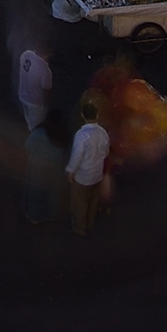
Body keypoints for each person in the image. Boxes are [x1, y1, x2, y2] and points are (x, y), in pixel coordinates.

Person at [66, 95, 111, 235]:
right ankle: (90, 224)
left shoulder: (81, 135)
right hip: (97, 175)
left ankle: (80, 228)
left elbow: (76, 157)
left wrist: (70, 172)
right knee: (93, 202)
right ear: (96, 115)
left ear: (82, 115)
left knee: (80, 203)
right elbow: (106, 152)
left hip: (83, 177)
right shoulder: (103, 133)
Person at [15, 45, 53, 129]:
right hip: (34, 103)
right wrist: (49, 107)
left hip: (22, 95)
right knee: (36, 128)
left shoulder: (26, 54)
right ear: (49, 53)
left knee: (28, 119)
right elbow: (47, 92)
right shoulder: (45, 70)